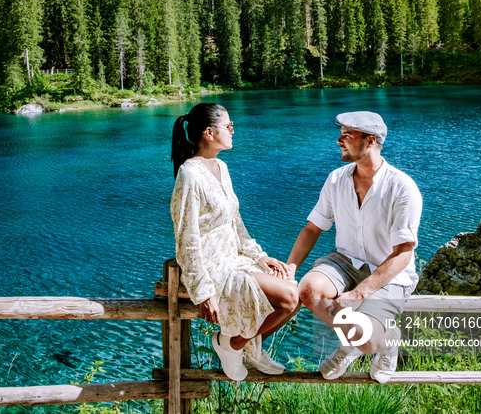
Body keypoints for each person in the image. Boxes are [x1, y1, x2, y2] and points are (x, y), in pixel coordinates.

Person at [286, 111, 423, 383]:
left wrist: (360, 293)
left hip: (389, 274)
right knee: (308, 289)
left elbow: (403, 253)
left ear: (370, 141)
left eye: (347, 135)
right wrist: (291, 267)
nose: (339, 140)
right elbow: (313, 228)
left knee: (370, 342)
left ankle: (383, 341)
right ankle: (353, 339)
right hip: (345, 262)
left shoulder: (402, 187)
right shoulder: (336, 179)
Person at [171, 103, 299, 381]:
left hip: (234, 257)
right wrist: (204, 291)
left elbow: (235, 222)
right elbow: (186, 238)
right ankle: (233, 344)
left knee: (292, 284)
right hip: (213, 267)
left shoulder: (221, 167)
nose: (233, 131)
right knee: (289, 299)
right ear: (209, 133)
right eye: (228, 126)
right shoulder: (190, 174)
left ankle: (249, 346)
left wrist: (258, 256)